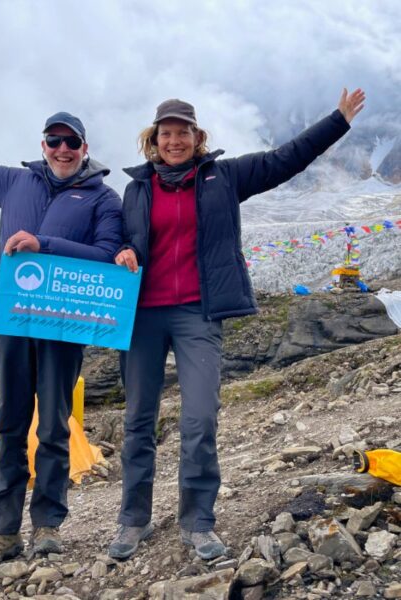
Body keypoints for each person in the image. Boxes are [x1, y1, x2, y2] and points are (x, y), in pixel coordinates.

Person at [109, 89, 365, 560]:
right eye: (166, 133)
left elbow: (284, 159)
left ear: (196, 136)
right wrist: (121, 252)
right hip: (142, 316)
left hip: (197, 314)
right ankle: (133, 521)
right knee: (138, 421)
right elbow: (118, 239)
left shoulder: (223, 177)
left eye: (182, 132)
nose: (174, 140)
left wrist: (337, 121)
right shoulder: (136, 189)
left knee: (200, 417)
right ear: (154, 139)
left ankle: (199, 522)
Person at [0, 72, 123, 568]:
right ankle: (0, 533)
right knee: (9, 426)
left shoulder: (103, 198)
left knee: (55, 427)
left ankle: (47, 527)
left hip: (63, 326)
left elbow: (107, 254)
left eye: (71, 141)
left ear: (84, 147)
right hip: (13, 322)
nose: (62, 148)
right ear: (43, 144)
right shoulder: (14, 181)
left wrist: (46, 245)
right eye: (54, 140)